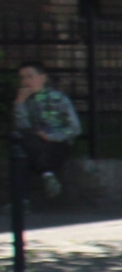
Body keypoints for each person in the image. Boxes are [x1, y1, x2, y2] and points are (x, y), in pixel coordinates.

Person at [12, 61, 81, 198]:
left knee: (25, 156)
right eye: (22, 78)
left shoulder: (59, 99)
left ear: (42, 78)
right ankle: (47, 174)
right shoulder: (24, 101)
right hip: (33, 143)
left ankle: (22, 202)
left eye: (30, 76)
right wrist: (19, 104)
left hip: (56, 145)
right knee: (22, 149)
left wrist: (51, 136)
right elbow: (21, 127)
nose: (25, 81)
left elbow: (75, 128)